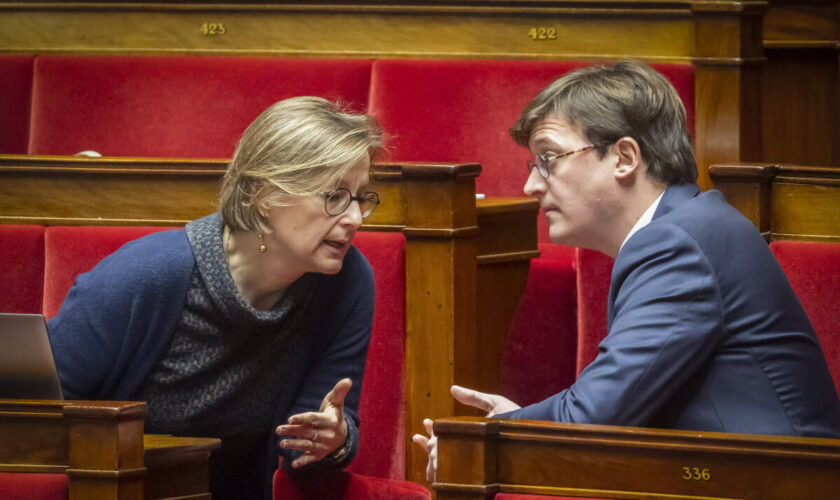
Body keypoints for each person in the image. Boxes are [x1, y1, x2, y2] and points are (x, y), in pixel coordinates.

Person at [413, 61, 840, 480]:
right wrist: (512, 422)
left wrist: (485, 439)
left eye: (548, 158)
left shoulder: (678, 244)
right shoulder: (688, 227)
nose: (531, 186)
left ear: (624, 157)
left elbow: (595, 415)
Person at [47, 96, 383, 499]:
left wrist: (333, 439)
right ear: (265, 195)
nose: (355, 218)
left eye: (361, 197)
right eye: (334, 196)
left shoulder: (347, 280)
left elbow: (311, 440)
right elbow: (33, 414)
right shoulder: (147, 274)